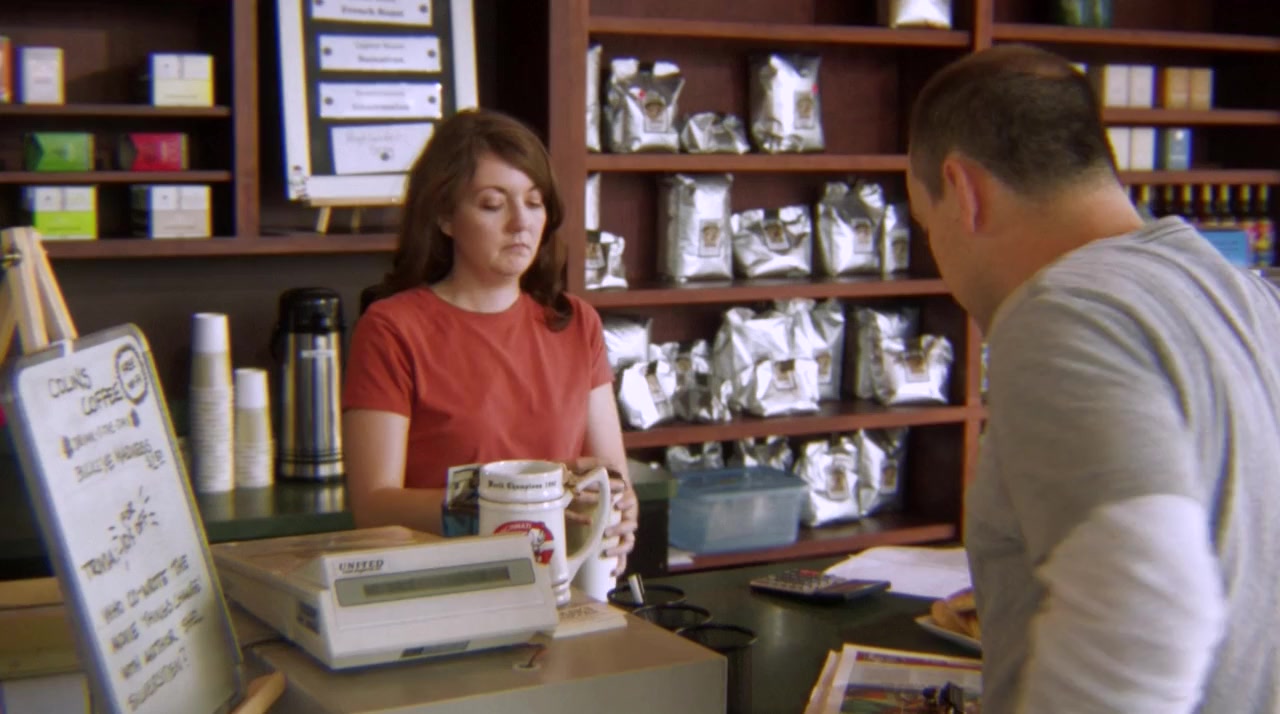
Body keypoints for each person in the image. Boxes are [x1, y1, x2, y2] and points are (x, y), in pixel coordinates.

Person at [906, 45, 1280, 713]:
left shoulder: (1061, 314)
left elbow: (1144, 609)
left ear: (962, 192)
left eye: (926, 223)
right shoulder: (1244, 295)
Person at [342, 108, 638, 575]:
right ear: (445, 215)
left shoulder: (576, 323)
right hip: (442, 585)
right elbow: (374, 507)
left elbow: (609, 476)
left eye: (535, 202)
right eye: (492, 204)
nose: (521, 223)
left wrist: (621, 510)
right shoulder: (391, 329)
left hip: (561, 585)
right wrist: (517, 507)